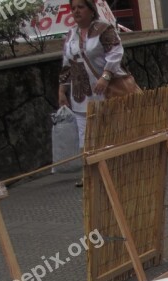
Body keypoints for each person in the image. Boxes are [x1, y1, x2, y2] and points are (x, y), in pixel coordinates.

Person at [58, 0, 127, 184]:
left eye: (80, 7)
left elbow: (115, 52)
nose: (76, 11)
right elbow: (67, 64)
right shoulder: (71, 35)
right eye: (73, 8)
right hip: (80, 94)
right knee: (84, 136)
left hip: (104, 92)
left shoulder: (103, 29)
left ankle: (114, 168)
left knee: (108, 130)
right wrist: (62, 90)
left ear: (90, 9)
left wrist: (106, 75)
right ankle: (88, 173)